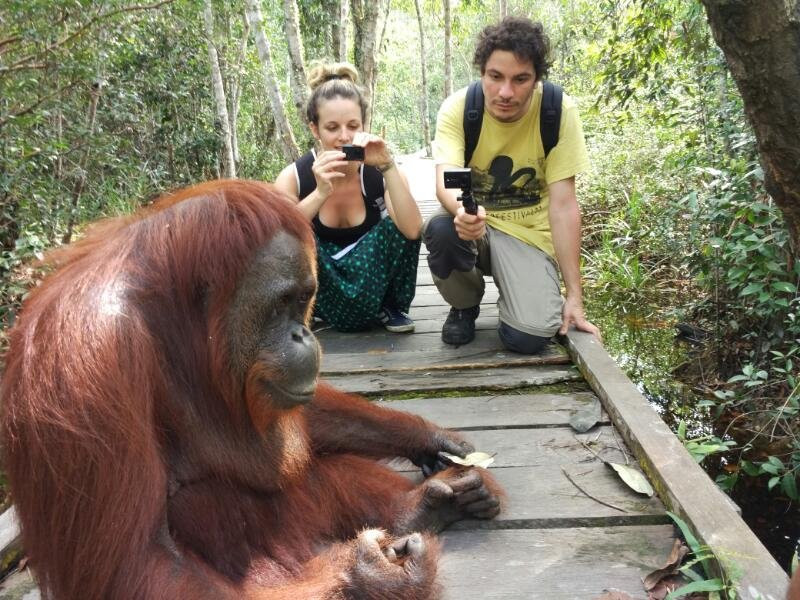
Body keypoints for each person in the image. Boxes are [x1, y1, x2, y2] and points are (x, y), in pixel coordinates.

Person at [423, 16, 601, 353]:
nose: (506, 92)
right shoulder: (460, 109)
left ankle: (519, 300)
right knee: (442, 228)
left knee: (528, 338)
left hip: (530, 236)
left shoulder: (557, 111)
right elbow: (445, 176)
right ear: (482, 73)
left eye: (520, 79)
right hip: (478, 227)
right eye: (496, 77)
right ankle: (464, 305)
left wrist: (574, 296)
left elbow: (564, 206)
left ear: (536, 80)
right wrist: (463, 212)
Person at [275, 62, 422, 333]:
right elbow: (276, 241)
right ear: (315, 129)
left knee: (397, 223)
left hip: (372, 286)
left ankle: (391, 307)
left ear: (364, 125)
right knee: (285, 233)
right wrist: (320, 192)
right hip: (321, 292)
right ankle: (303, 313)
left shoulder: (379, 173)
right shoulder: (294, 177)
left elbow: (412, 230)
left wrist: (388, 166)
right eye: (332, 127)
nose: (344, 136)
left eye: (352, 126)